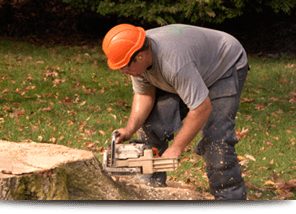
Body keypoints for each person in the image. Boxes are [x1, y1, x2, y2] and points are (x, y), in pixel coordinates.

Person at [102, 23, 249, 200]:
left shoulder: (174, 63)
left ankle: (229, 197)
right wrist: (129, 129)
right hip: (190, 67)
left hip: (223, 65)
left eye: (124, 67)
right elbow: (144, 95)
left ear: (140, 57)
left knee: (216, 139)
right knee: (153, 125)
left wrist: (177, 147)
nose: (122, 71)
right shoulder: (135, 50)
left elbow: (201, 108)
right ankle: (149, 186)